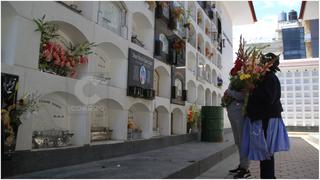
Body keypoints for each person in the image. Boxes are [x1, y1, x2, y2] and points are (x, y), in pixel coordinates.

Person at [241, 53, 290, 179]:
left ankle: (268, 177)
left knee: (266, 152)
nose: (259, 64)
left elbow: (268, 98)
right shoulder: (264, 77)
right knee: (265, 152)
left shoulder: (270, 78)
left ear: (268, 65)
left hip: (267, 118)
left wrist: (252, 88)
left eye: (261, 62)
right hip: (265, 118)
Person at [225, 88, 251, 178]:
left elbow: (242, 95)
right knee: (238, 142)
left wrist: (229, 92)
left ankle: (245, 168)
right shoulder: (235, 80)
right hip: (233, 113)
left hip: (240, 114)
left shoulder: (243, 79)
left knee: (242, 142)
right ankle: (242, 165)